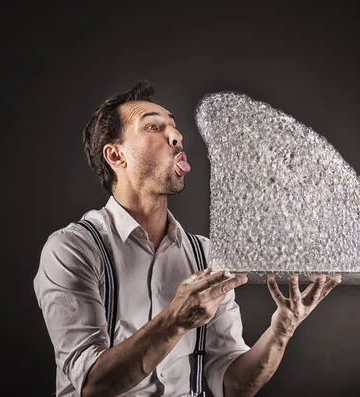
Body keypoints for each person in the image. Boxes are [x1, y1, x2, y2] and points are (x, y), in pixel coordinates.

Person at [33, 81, 341, 397]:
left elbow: (233, 385)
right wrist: (176, 320)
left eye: (174, 127)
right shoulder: (73, 250)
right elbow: (93, 385)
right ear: (115, 155)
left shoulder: (205, 255)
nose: (177, 137)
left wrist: (281, 330)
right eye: (153, 126)